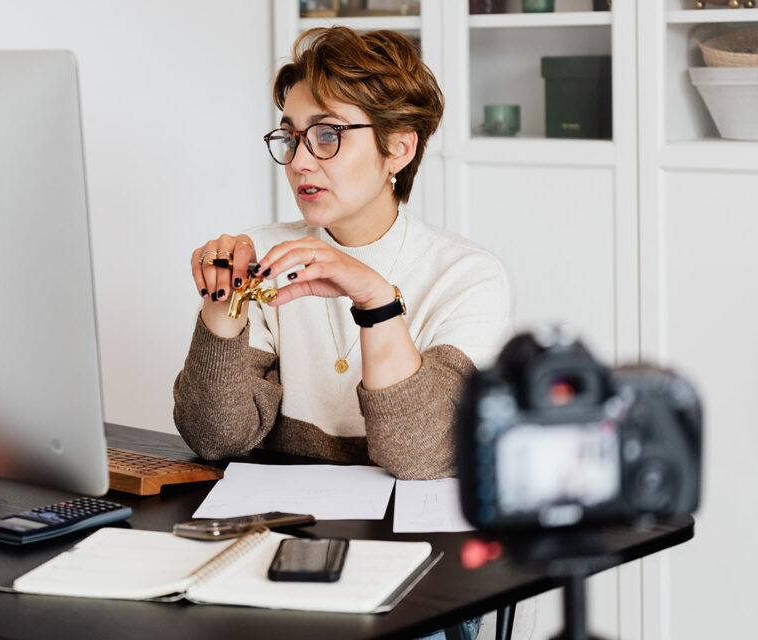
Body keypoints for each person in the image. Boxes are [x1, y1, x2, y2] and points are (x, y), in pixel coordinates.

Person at [174, 26, 511, 482]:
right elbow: (215, 438)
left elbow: (424, 455)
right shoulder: (264, 255)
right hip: (283, 523)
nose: (299, 161)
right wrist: (221, 308)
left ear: (398, 148)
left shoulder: (467, 277)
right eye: (291, 137)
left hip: (409, 537)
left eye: (328, 134)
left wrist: (377, 301)